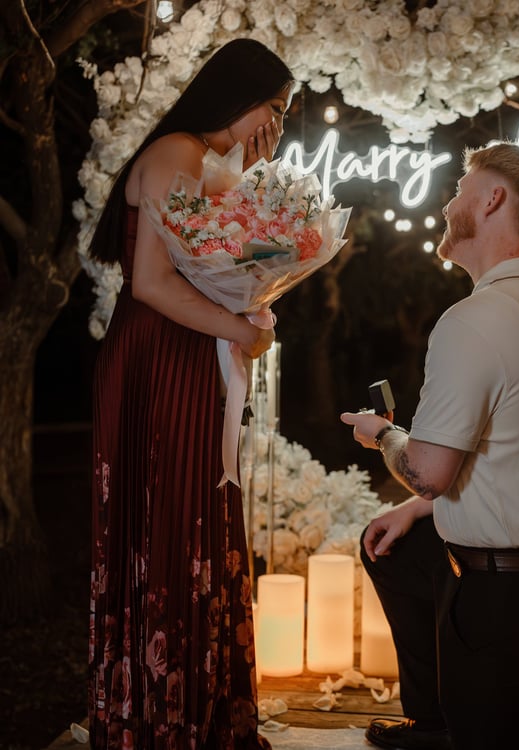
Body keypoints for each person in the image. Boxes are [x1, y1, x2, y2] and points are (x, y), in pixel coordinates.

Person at [341, 142, 519, 750]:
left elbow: (429, 472)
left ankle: (463, 728)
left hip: (499, 593)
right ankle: (435, 723)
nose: (447, 202)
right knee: (396, 551)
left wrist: (383, 434)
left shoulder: (474, 319)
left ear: (491, 200)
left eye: (461, 186)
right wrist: (417, 509)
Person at [88, 39, 294, 750]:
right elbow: (151, 281)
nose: (277, 125)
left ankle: (199, 709)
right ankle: (163, 717)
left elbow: (216, 255)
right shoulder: (176, 150)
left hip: (186, 348)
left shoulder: (205, 160)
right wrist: (244, 328)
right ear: (241, 95)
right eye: (275, 109)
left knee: (197, 515)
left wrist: (250, 179)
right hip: (159, 353)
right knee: (171, 518)